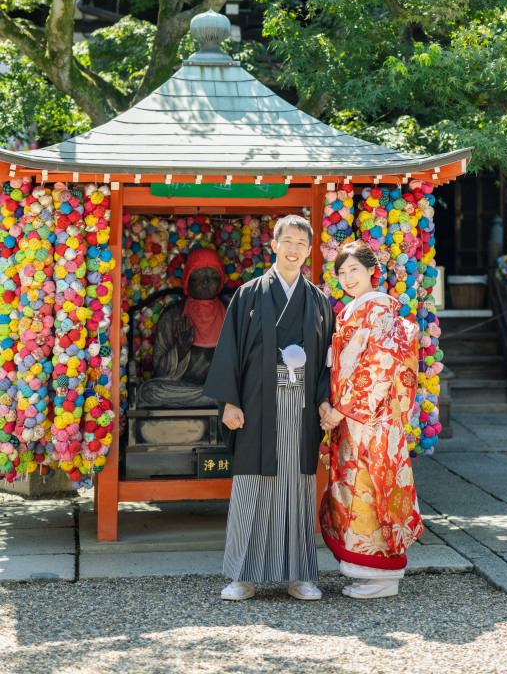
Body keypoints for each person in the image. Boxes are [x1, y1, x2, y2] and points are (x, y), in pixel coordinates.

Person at [204, 215, 335, 602]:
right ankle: (242, 576)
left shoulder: (319, 301)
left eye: (301, 243)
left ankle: (299, 575)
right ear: (274, 245)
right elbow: (229, 350)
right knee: (251, 485)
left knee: (298, 486)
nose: (294, 249)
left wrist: (325, 399)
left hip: (302, 405)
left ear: (309, 251)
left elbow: (329, 360)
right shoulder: (249, 294)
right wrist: (230, 401)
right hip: (258, 402)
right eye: (287, 241)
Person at [319, 240, 424, 599]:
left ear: (371, 272)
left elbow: (377, 366)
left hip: (371, 418)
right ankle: (366, 572)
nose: (348, 278)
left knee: (370, 491)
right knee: (353, 492)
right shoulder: (352, 310)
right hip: (354, 417)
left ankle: (383, 576)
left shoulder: (378, 308)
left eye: (354, 270)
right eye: (342, 272)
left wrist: (342, 408)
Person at [137, 247, 226, 408]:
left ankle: (216, 396)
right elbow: (160, 370)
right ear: (187, 279)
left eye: (212, 275)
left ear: (220, 280)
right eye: (199, 274)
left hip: (222, 387)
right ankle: (213, 398)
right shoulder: (172, 315)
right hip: (183, 389)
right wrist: (181, 349)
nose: (206, 281)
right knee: (148, 391)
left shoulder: (231, 313)